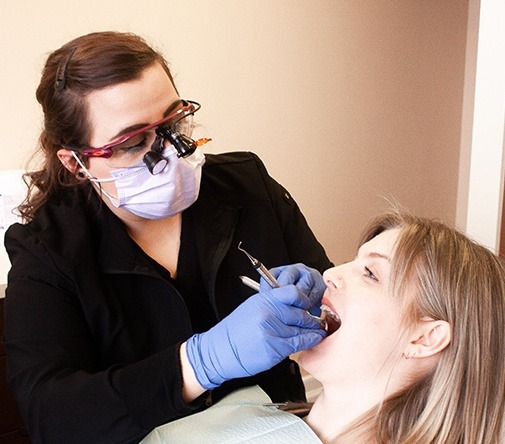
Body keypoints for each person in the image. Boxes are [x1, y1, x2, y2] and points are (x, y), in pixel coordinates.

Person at [2, 31, 333, 444]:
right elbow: (52, 415)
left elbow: (335, 308)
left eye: (174, 122)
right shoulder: (47, 250)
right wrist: (200, 363)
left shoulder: (248, 186)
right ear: (75, 162)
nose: (172, 151)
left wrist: (328, 302)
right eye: (133, 142)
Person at [140, 210, 505, 443]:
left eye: (370, 273)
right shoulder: (252, 409)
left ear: (425, 337)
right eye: (351, 260)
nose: (330, 274)